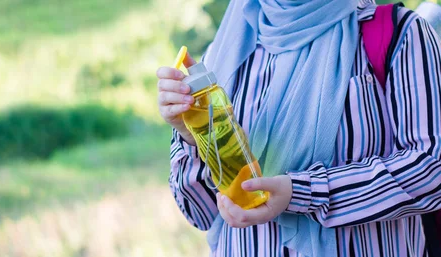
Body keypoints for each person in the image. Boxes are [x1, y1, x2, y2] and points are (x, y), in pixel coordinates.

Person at [156, 0, 441, 256]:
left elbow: (432, 171)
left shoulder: (400, 34)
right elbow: (201, 213)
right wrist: (190, 133)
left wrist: (303, 193)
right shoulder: (224, 54)